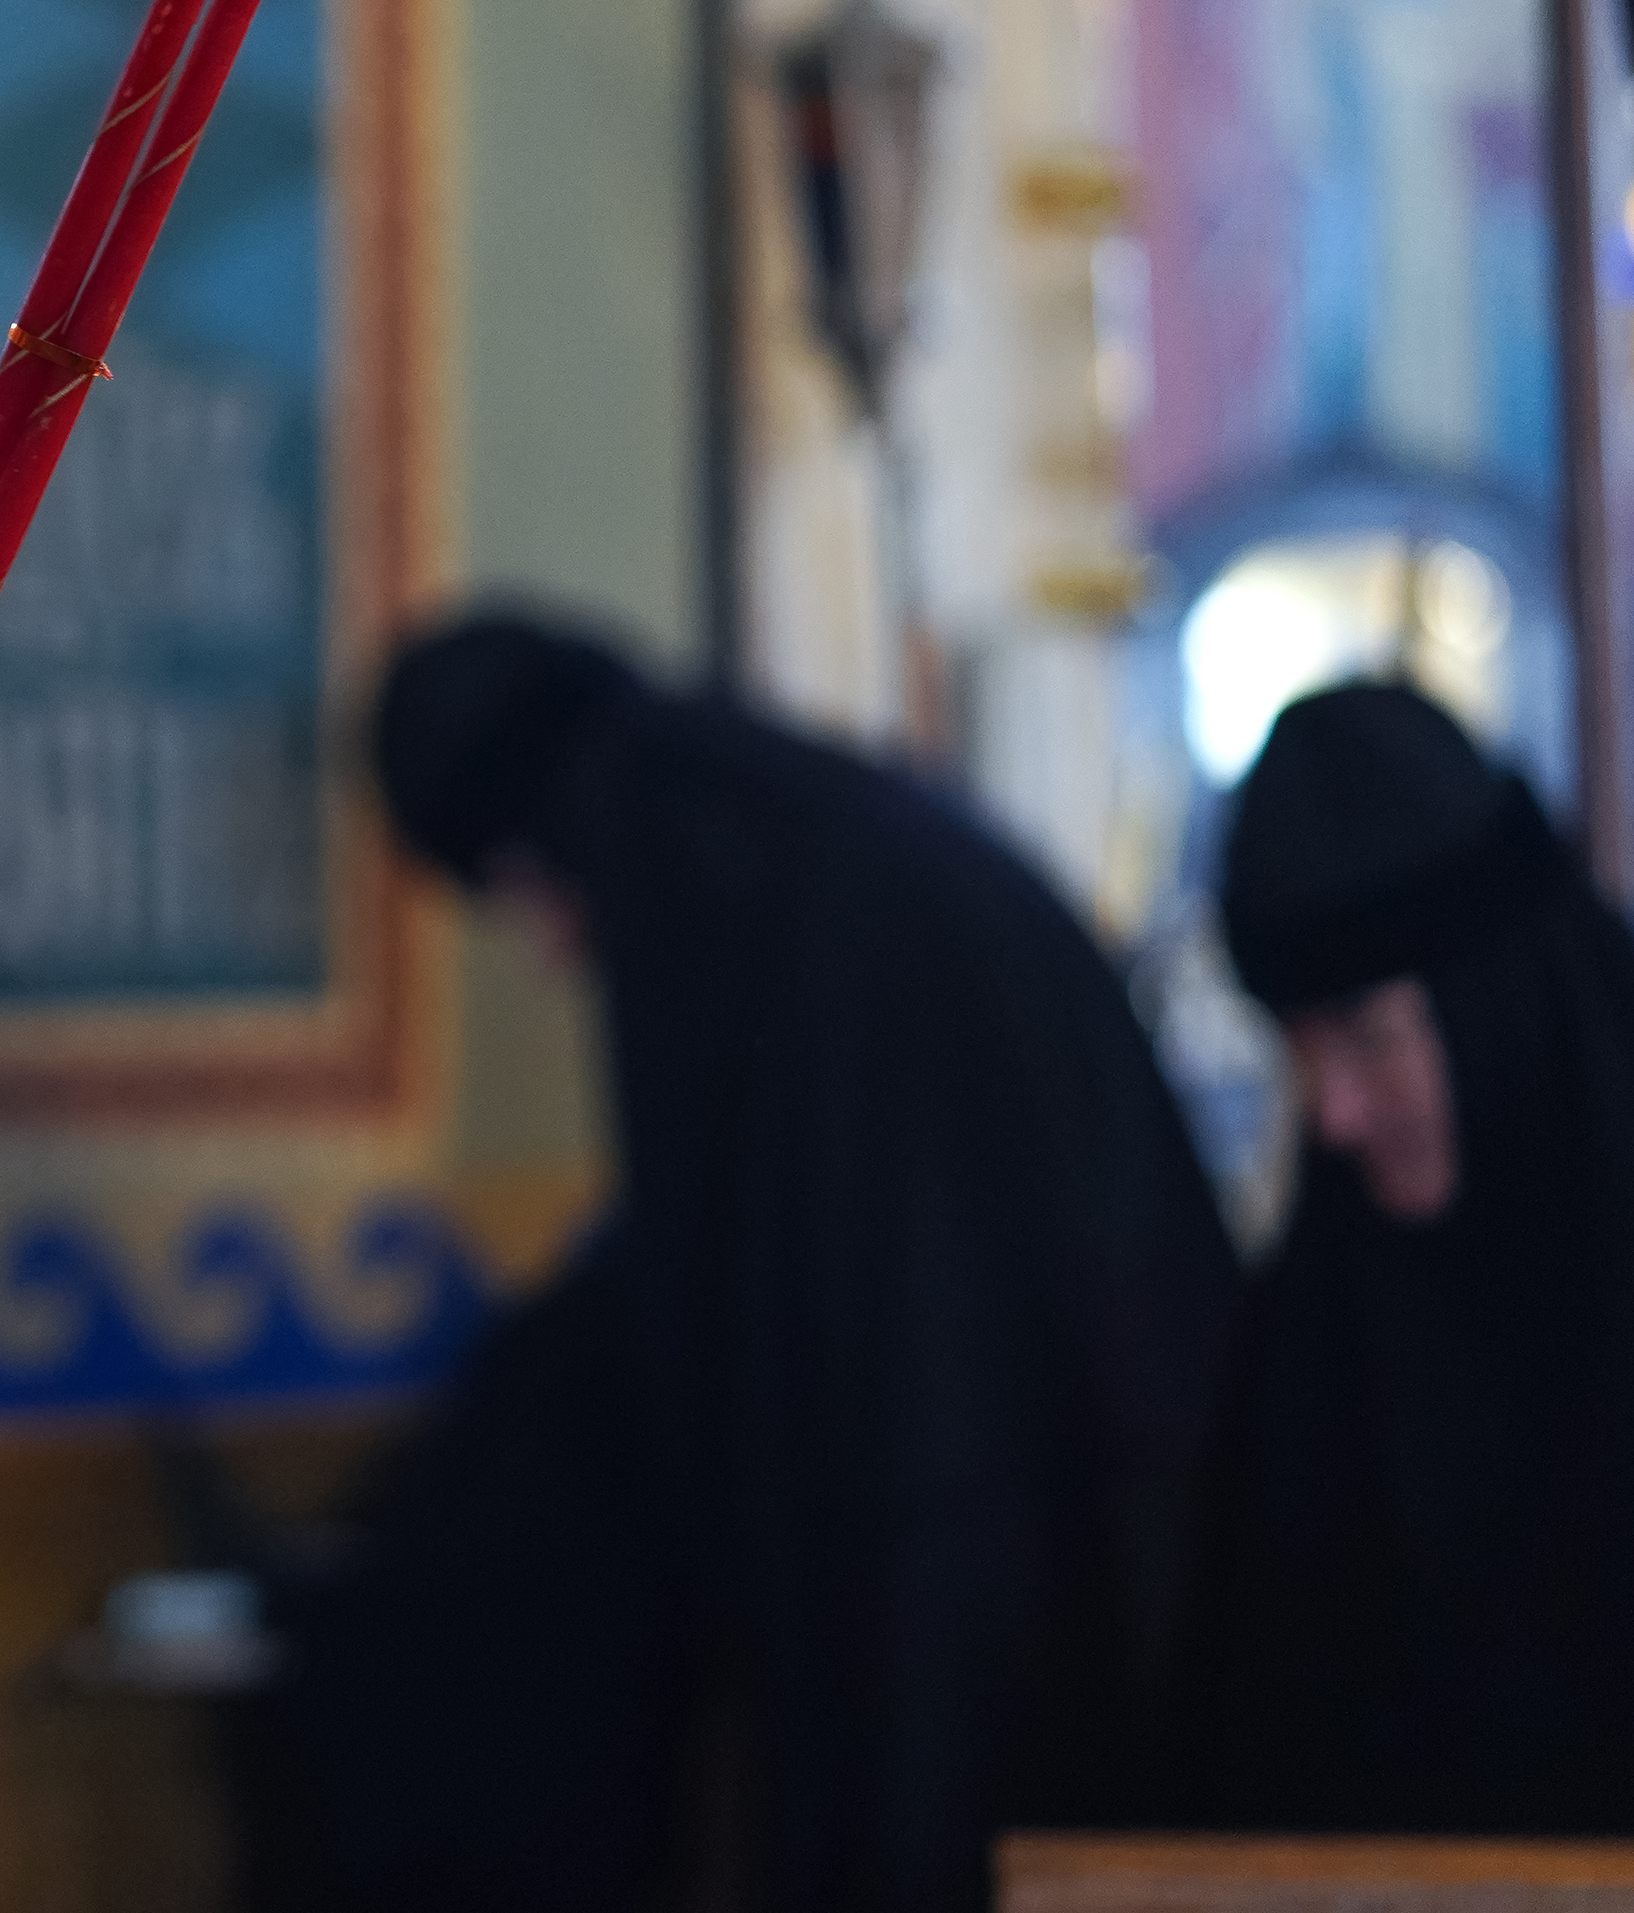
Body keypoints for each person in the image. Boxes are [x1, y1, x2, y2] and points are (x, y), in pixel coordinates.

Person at [282, 611, 1238, 1912]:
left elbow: (753, 1328)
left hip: (947, 1596)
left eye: (520, 895)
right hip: (1096, 1551)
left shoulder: (698, 867)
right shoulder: (803, 822)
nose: (556, 952)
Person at [1174, 678, 1634, 1833]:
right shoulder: (1318, 1329)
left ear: (1494, 1004)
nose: (1332, 1117)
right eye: (1299, 1055)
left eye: (1369, 1044)